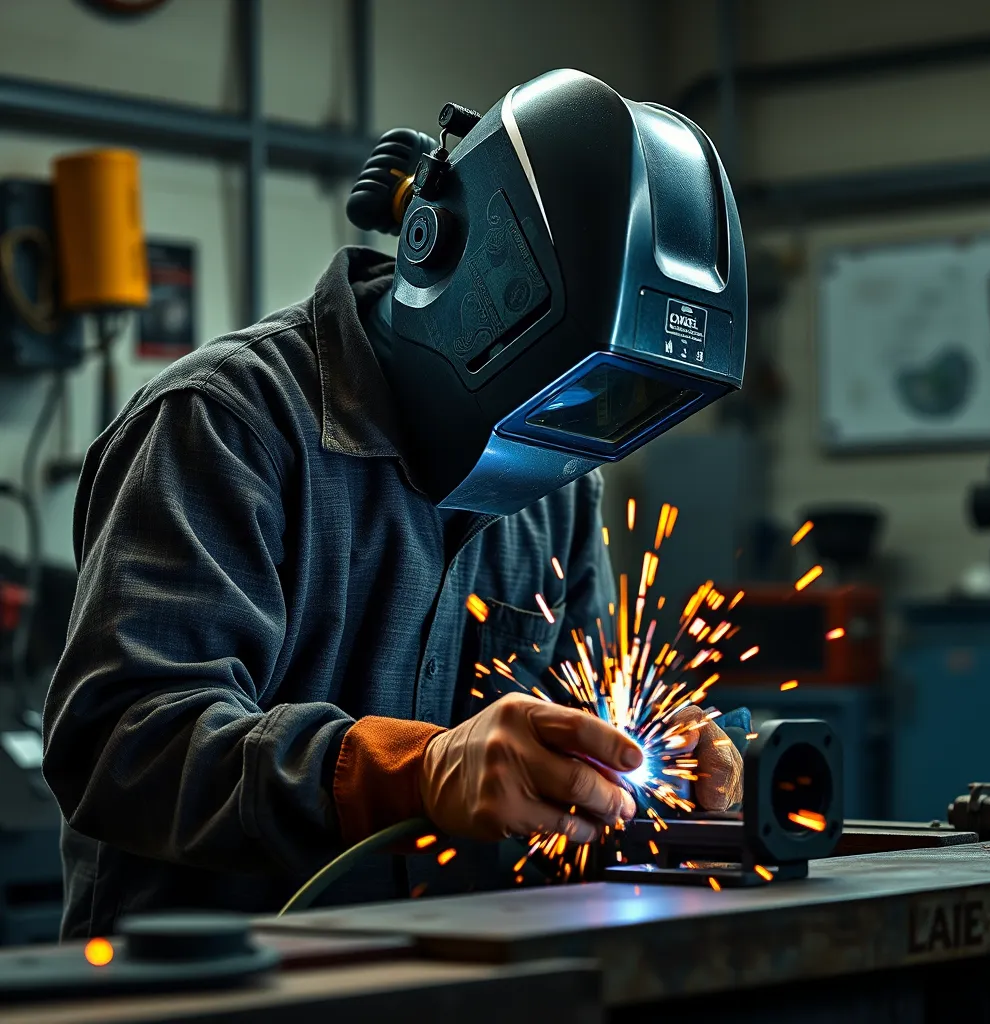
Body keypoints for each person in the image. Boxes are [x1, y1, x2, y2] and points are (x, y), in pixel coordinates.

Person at [42, 69, 749, 939]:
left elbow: (586, 718)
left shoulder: (560, 480)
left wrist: (652, 765)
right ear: (441, 251)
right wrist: (413, 772)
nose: (573, 434)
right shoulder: (227, 425)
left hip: (451, 977)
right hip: (207, 988)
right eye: (572, 386)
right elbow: (122, 744)